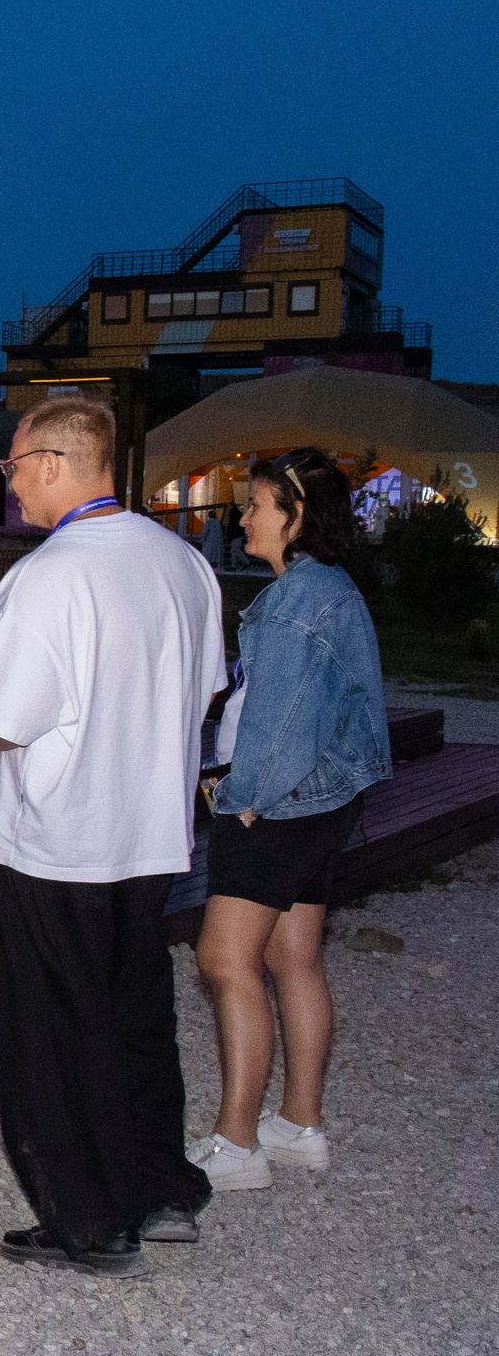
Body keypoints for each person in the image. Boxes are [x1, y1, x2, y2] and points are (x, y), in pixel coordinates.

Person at [0, 393, 225, 1276]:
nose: (9, 486)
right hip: (149, 833)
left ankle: (88, 1215)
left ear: (51, 462)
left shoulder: (47, 575)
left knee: (55, 1031)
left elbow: (3, 722)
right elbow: (206, 690)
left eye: (10, 468)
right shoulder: (184, 563)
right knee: (136, 1014)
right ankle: (157, 1188)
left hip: (60, 839)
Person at [190, 449, 388, 1191]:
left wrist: (238, 796)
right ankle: (299, 1123)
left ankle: (236, 1143)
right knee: (291, 957)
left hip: (275, 805)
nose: (243, 516)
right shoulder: (330, 588)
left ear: (296, 515)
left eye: (257, 503)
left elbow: (279, 728)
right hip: (322, 804)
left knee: (223, 958)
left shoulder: (301, 600)